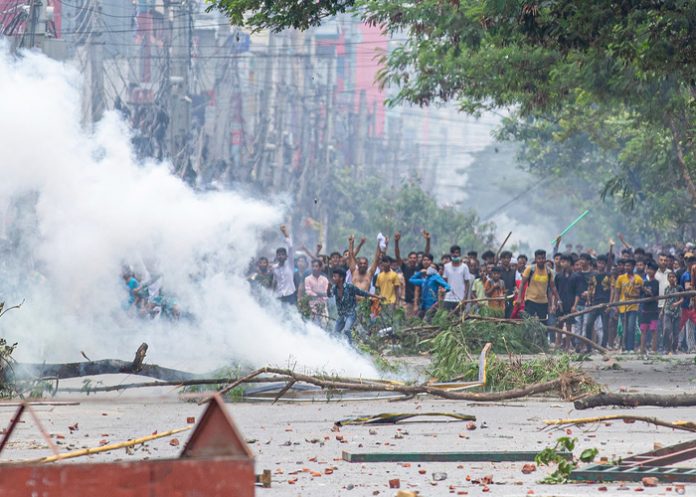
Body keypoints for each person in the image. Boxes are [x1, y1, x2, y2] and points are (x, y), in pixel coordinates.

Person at [328, 268, 380, 344]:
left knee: (346, 330)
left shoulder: (349, 287)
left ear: (341, 278)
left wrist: (376, 296)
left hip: (351, 314)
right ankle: (338, 346)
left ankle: (351, 346)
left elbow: (362, 293)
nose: (333, 278)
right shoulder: (334, 288)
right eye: (333, 276)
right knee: (335, 333)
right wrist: (328, 287)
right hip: (342, 315)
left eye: (335, 276)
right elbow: (329, 295)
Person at [517, 249, 559, 325]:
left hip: (543, 302)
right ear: (536, 259)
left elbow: (553, 287)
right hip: (530, 300)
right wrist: (519, 298)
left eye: (543, 258)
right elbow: (522, 284)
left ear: (545, 259)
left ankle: (541, 337)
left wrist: (558, 300)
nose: (541, 260)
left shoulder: (549, 272)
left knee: (542, 324)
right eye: (539, 258)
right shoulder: (530, 269)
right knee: (529, 324)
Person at [613, 258, 643, 352]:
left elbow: (639, 294)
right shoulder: (620, 278)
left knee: (631, 327)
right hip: (622, 306)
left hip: (633, 306)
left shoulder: (638, 279)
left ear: (633, 267)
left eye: (629, 266)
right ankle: (624, 347)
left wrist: (630, 295)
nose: (626, 267)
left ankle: (630, 348)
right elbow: (617, 293)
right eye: (626, 265)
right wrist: (616, 306)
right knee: (624, 328)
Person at [554, 254, 581, 350]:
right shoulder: (558, 276)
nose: (562, 263)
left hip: (570, 303)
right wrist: (555, 303)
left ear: (569, 263)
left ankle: (567, 346)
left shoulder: (575, 277)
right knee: (559, 325)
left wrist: (574, 306)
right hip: (560, 303)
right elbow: (555, 291)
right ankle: (558, 345)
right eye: (561, 261)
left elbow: (578, 293)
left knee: (569, 326)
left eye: (564, 261)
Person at [585, 255, 611, 349]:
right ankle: (588, 347)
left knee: (605, 327)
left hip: (605, 303)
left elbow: (613, 290)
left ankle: (603, 346)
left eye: (603, 263)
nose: (601, 265)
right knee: (588, 324)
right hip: (594, 303)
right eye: (599, 263)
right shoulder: (593, 276)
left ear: (605, 264)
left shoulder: (609, 275)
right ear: (597, 263)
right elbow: (590, 288)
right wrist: (588, 300)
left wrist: (610, 304)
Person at [442, 245, 472, 311]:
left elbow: (467, 283)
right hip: (448, 298)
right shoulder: (446, 266)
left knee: (459, 319)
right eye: (453, 253)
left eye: (457, 252)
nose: (455, 254)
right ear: (451, 254)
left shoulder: (464, 267)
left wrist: (465, 298)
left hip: (460, 298)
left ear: (460, 254)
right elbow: (444, 282)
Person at [272, 225, 296, 304]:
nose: (280, 256)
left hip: (290, 294)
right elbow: (274, 282)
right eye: (279, 255)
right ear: (276, 256)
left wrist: (285, 234)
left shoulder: (290, 264)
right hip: (279, 295)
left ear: (286, 256)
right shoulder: (274, 268)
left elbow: (290, 247)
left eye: (282, 254)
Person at [639, 262, 660, 355]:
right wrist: (643, 290)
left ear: (655, 271)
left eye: (652, 269)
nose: (650, 271)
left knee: (653, 330)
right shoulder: (645, 282)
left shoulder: (656, 282)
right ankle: (642, 349)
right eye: (649, 269)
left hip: (653, 310)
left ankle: (654, 349)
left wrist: (645, 289)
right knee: (643, 330)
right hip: (645, 309)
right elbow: (641, 295)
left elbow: (653, 294)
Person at [663, 271, 684, 354]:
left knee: (676, 331)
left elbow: (682, 299)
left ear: (675, 278)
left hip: (677, 312)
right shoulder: (666, 288)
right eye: (670, 277)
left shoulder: (679, 288)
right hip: (667, 311)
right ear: (668, 278)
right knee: (666, 329)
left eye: (673, 277)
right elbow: (666, 300)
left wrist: (676, 303)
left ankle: (674, 349)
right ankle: (666, 348)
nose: (672, 278)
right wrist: (662, 311)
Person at [304, 259, 329, 325]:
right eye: (313, 266)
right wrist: (321, 294)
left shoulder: (324, 279)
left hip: (323, 305)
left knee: (325, 324)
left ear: (320, 268)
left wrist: (315, 292)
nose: (314, 268)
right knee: (314, 326)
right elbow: (308, 293)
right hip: (312, 306)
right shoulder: (307, 279)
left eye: (316, 266)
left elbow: (326, 293)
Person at [498, 251, 517, 317]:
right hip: (500, 297)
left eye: (508, 258)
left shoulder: (513, 271)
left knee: (509, 315)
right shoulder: (498, 271)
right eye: (504, 258)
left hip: (511, 297)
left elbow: (514, 284)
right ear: (501, 259)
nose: (506, 260)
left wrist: (515, 290)